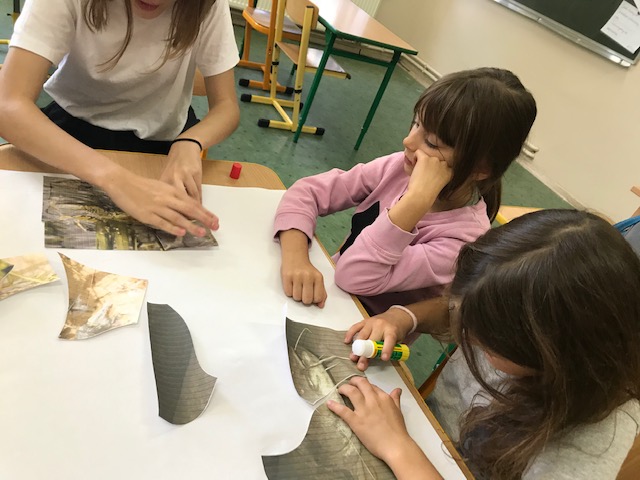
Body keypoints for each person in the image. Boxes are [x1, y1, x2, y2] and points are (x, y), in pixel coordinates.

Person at [328, 209, 640, 480]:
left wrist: (398, 449)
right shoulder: (511, 310)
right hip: (421, 432)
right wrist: (404, 318)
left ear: (552, 354)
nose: (466, 335)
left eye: (483, 338)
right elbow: (456, 308)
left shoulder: (597, 434)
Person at [272, 67, 537, 313]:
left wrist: (415, 202)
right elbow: (308, 191)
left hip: (360, 330)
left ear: (480, 169)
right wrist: (296, 257)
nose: (408, 141)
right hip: (323, 296)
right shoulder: (398, 167)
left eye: (432, 142)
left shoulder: (463, 241)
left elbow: (353, 276)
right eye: (416, 123)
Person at [0, 0, 240, 237]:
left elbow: (227, 106)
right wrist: (115, 180)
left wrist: (190, 141)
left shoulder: (208, 4)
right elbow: (7, 105)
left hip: (164, 139)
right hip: (69, 132)